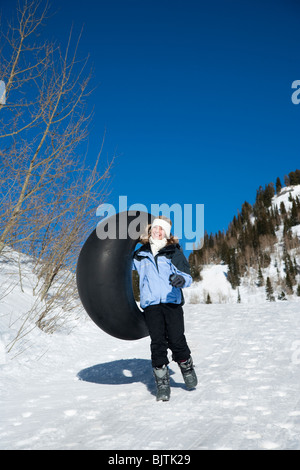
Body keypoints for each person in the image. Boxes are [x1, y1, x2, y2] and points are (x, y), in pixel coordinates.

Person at [132, 215, 197, 401]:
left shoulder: (173, 251)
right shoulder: (140, 254)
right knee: (158, 343)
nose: (157, 232)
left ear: (167, 234)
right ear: (150, 230)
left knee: (177, 339)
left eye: (162, 229)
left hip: (171, 302)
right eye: (155, 228)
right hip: (151, 305)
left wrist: (181, 280)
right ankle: (162, 384)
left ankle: (187, 368)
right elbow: (120, 266)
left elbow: (187, 276)